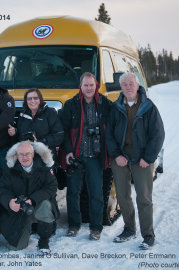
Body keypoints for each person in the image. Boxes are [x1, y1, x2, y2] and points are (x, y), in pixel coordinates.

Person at [106, 72, 164, 249]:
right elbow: (109, 134)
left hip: (143, 156)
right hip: (121, 155)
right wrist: (116, 155)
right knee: (123, 196)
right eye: (125, 85)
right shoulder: (116, 107)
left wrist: (148, 158)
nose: (128, 87)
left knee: (144, 197)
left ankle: (148, 235)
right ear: (121, 88)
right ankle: (129, 229)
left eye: (131, 84)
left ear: (138, 85)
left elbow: (158, 134)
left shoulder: (148, 107)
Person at [61, 72, 111, 240]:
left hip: (95, 157)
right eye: (86, 85)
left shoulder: (105, 104)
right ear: (80, 87)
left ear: (96, 85)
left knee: (96, 193)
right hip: (76, 156)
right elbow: (64, 131)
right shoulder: (71, 105)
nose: (89, 88)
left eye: (92, 85)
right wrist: (68, 151)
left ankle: (96, 228)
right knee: (73, 192)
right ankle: (74, 225)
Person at [0, 141, 59, 254]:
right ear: (17, 155)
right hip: (19, 211)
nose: (24, 157)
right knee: (15, 247)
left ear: (33, 154)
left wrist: (33, 199)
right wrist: (9, 202)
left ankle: (44, 242)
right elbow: (2, 189)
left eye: (27, 154)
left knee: (45, 205)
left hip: (37, 206)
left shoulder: (43, 168)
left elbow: (52, 186)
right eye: (21, 154)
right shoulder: (9, 170)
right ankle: (25, 230)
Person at [7, 88, 64, 158]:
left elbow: (59, 135)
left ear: (40, 100)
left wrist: (40, 141)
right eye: (29, 99)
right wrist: (14, 133)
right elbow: (18, 136)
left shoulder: (50, 113)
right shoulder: (23, 114)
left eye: (35, 98)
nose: (32, 101)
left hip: (45, 157)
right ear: (26, 101)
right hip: (26, 157)